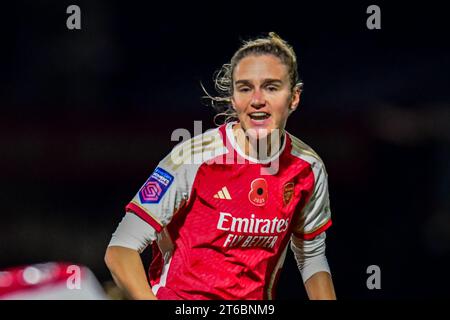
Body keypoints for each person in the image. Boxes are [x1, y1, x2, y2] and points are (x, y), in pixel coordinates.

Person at [104, 32, 336, 300]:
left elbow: (312, 257)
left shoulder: (308, 167)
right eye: (245, 88)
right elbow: (121, 249)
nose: (257, 99)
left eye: (271, 87)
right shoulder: (192, 159)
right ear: (234, 98)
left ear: (294, 97)